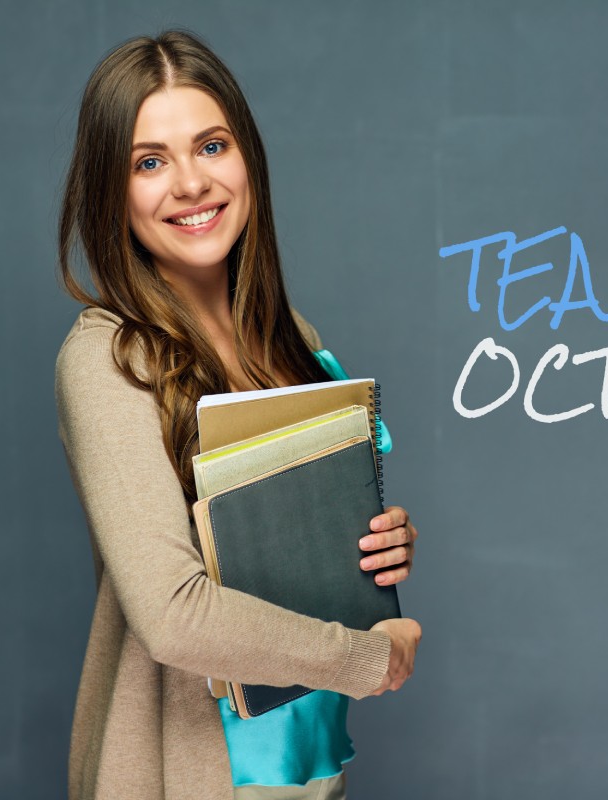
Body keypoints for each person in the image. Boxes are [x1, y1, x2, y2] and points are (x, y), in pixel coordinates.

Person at [54, 29, 422, 800]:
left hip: (305, 772)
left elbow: (297, 558)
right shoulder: (109, 358)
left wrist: (378, 552)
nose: (190, 183)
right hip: (187, 779)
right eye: (149, 162)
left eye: (211, 146)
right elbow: (173, 614)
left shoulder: (295, 340)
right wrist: (365, 655)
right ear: (109, 192)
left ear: (246, 157)